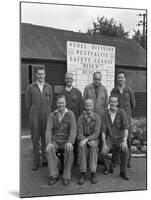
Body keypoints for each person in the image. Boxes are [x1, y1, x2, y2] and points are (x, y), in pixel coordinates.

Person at [25, 66, 53, 170]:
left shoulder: (48, 87)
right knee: (35, 138)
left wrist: (46, 111)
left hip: (46, 115)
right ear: (36, 75)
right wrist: (33, 113)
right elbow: (27, 103)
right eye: (39, 74)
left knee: (45, 138)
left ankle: (45, 160)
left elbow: (50, 102)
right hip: (35, 116)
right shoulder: (31, 87)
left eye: (42, 74)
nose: (41, 75)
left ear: (45, 75)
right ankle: (36, 161)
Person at [45, 95, 77, 186]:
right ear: (56, 104)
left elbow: (73, 129)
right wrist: (49, 143)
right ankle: (54, 175)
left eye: (62, 103)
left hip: (66, 140)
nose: (61, 105)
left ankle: (66, 176)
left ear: (65, 103)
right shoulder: (52, 115)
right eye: (59, 103)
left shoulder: (70, 114)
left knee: (69, 150)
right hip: (55, 140)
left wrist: (70, 142)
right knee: (49, 149)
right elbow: (48, 129)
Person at [101, 95, 130, 180]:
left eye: (114, 102)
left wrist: (124, 141)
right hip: (109, 138)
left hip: (120, 139)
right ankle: (108, 167)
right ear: (109, 102)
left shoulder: (122, 112)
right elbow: (103, 131)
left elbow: (126, 128)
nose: (113, 103)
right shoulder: (105, 114)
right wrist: (104, 144)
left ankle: (123, 172)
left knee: (125, 150)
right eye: (111, 101)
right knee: (103, 151)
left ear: (117, 103)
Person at [111, 71, 136, 168]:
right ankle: (116, 160)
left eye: (122, 77)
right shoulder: (114, 91)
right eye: (119, 77)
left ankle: (128, 160)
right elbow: (112, 103)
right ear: (117, 79)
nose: (120, 79)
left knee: (128, 140)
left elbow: (133, 105)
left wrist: (127, 115)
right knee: (116, 139)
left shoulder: (129, 91)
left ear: (125, 79)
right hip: (116, 120)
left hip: (126, 121)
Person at [61, 72, 84, 165]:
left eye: (70, 78)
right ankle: (66, 160)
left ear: (73, 80)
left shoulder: (78, 93)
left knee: (75, 140)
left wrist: (79, 121)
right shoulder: (61, 93)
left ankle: (76, 160)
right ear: (65, 80)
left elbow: (81, 108)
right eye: (67, 78)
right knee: (65, 139)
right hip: (64, 122)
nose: (69, 80)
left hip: (75, 121)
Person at [77, 98, 101, 185]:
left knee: (93, 146)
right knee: (82, 147)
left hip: (93, 139)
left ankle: (93, 173)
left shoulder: (97, 117)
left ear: (93, 106)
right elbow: (79, 133)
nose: (88, 108)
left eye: (90, 105)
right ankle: (82, 173)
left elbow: (96, 133)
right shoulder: (80, 118)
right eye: (87, 105)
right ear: (84, 106)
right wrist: (85, 141)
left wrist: (87, 140)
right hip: (83, 139)